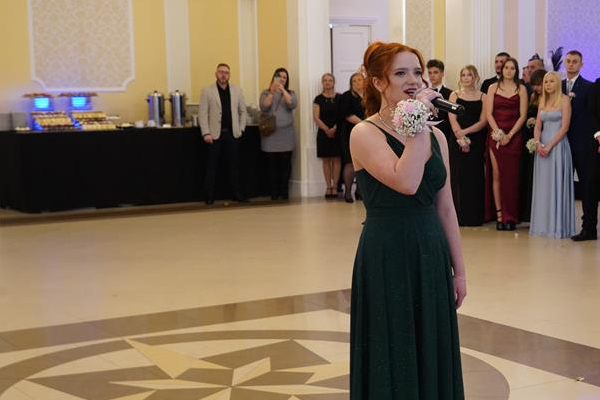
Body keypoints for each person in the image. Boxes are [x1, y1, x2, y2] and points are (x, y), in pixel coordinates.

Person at [349, 41, 466, 400]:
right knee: (393, 344)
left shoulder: (438, 136)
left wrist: (459, 271)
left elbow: (446, 207)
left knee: (431, 344)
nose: (413, 80)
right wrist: (417, 121)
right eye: (400, 73)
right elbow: (407, 181)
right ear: (378, 82)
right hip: (388, 252)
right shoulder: (364, 133)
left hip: (429, 249)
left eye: (417, 71)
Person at [529, 71, 575, 238]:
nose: (548, 85)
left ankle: (558, 226)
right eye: (545, 82)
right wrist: (537, 143)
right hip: (542, 147)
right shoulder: (543, 100)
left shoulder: (565, 100)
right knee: (544, 186)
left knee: (556, 183)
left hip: (557, 146)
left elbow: (565, 127)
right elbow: (537, 125)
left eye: (551, 81)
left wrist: (549, 146)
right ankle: (542, 224)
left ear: (557, 83)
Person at [485, 57, 528, 230]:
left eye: (512, 68)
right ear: (501, 70)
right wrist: (498, 132)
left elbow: (523, 115)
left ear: (516, 71)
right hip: (496, 135)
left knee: (511, 177)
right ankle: (500, 215)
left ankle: (511, 217)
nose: (509, 71)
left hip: (514, 136)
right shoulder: (492, 87)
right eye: (506, 68)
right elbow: (488, 114)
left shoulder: (521, 88)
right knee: (497, 175)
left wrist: (509, 135)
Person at [199, 63, 248, 205]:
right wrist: (206, 133)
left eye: (226, 72)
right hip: (214, 135)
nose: (223, 75)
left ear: (229, 75)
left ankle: (237, 194)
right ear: (216, 74)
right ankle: (209, 195)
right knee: (212, 167)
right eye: (221, 72)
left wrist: (241, 129)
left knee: (234, 166)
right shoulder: (207, 91)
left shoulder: (237, 90)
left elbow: (243, 111)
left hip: (233, 134)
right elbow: (203, 114)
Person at [560, 51, 596, 241]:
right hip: (560, 144)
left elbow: (594, 116)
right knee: (560, 185)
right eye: (568, 61)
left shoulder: (589, 87)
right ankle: (560, 225)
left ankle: (589, 228)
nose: (571, 64)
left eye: (575, 62)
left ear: (581, 65)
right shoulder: (556, 86)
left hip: (583, 145)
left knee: (588, 187)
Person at [447, 65, 488, 226]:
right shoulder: (454, 95)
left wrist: (467, 132)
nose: (466, 78)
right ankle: (457, 216)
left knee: (474, 177)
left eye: (469, 75)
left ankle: (473, 217)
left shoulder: (483, 96)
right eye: (463, 75)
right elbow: (452, 119)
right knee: (457, 177)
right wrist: (460, 136)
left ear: (475, 77)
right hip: (456, 139)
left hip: (476, 140)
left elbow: (483, 121)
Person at [260, 67, 298, 200]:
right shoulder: (265, 92)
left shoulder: (291, 93)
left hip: (286, 134)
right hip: (270, 134)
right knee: (271, 164)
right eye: (279, 77)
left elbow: (292, 104)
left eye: (284, 77)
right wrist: (272, 92)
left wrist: (283, 90)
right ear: (274, 78)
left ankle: (284, 191)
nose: (282, 79)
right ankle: (274, 192)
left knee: (285, 164)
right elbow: (264, 106)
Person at [520, 68, 547, 222]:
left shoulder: (551, 98)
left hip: (544, 137)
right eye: (534, 84)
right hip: (530, 138)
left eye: (539, 84)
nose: (537, 88)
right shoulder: (532, 96)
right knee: (530, 175)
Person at [577, 76, 600, 241]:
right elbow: (591, 113)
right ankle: (589, 229)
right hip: (596, 145)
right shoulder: (597, 86)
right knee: (591, 187)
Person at [313, 73, 342, 199]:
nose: (327, 82)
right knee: (326, 160)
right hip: (323, 132)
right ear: (322, 83)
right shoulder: (318, 99)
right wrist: (326, 129)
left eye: (330, 80)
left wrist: (334, 128)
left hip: (337, 131)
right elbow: (316, 117)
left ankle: (335, 186)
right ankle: (328, 186)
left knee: (336, 159)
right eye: (325, 80)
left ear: (334, 82)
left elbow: (342, 115)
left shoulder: (340, 98)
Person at [339, 72, 366, 203]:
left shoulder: (370, 96)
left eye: (359, 80)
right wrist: (364, 123)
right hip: (350, 133)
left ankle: (361, 191)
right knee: (350, 162)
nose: (357, 83)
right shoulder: (346, 96)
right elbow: (347, 114)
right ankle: (348, 192)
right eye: (354, 81)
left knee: (364, 162)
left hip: (367, 134)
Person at [427, 59, 453, 142]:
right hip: (425, 134)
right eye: (430, 73)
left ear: (442, 74)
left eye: (435, 72)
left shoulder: (450, 94)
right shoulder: (423, 93)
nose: (432, 76)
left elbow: (451, 119)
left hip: (444, 135)